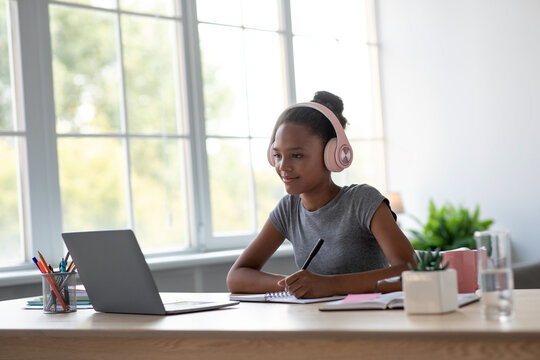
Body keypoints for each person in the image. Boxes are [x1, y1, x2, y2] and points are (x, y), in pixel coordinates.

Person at [226, 91, 415, 298]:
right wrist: (294, 285)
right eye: (278, 155)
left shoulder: (362, 201)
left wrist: (329, 285)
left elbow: (410, 272)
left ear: (332, 154)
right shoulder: (289, 208)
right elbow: (236, 277)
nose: (283, 166)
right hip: (315, 324)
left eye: (297, 155)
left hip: (368, 324)